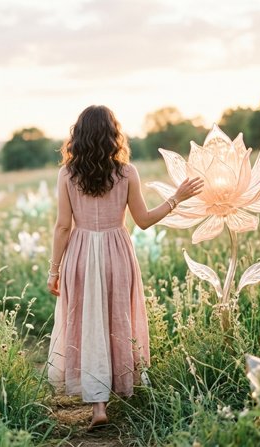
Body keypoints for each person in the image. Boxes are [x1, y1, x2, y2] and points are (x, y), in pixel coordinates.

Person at [46, 105, 203, 430]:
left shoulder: (67, 175)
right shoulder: (127, 172)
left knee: (87, 322)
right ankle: (118, 387)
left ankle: (97, 403)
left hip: (80, 252)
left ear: (79, 136)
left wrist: (54, 269)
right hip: (117, 251)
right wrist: (176, 198)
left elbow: (63, 226)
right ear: (113, 135)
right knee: (117, 317)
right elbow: (143, 221)